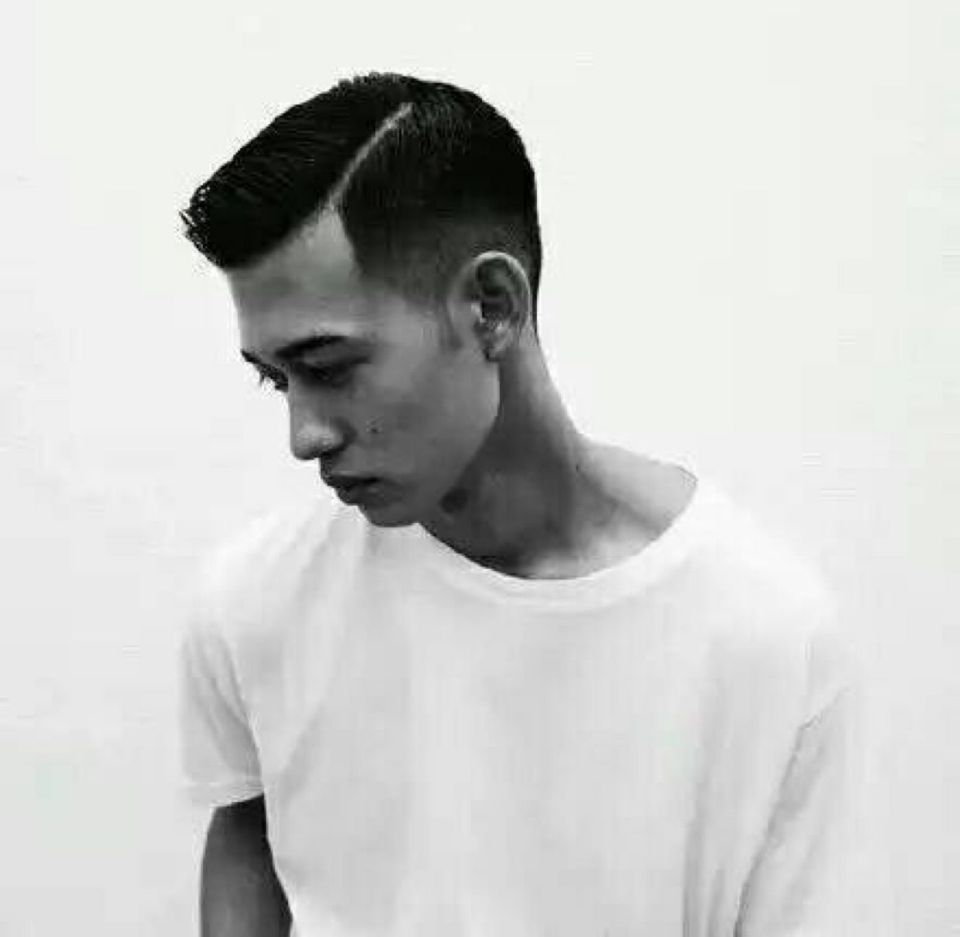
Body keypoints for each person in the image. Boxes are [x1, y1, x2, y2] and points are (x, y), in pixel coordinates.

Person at [177, 72, 859, 937]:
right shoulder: (254, 600)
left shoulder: (766, 638)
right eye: (275, 379)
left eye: (331, 367)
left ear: (492, 307)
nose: (304, 435)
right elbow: (250, 836)